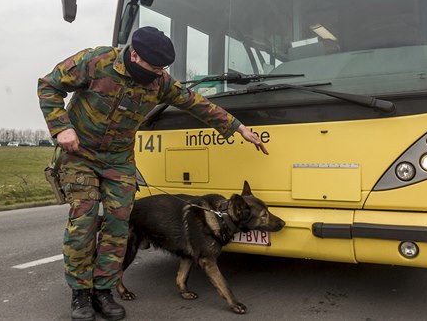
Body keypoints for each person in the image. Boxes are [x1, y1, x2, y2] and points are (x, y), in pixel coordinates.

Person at [37, 26, 267, 321]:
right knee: (84, 221)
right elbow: (48, 85)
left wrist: (239, 128)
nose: (160, 73)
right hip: (80, 153)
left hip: (119, 161)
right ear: (135, 55)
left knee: (119, 226)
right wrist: (61, 127)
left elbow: (198, 104)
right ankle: (81, 294)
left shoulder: (160, 81)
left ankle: (103, 291)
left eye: (164, 68)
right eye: (154, 67)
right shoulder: (96, 61)